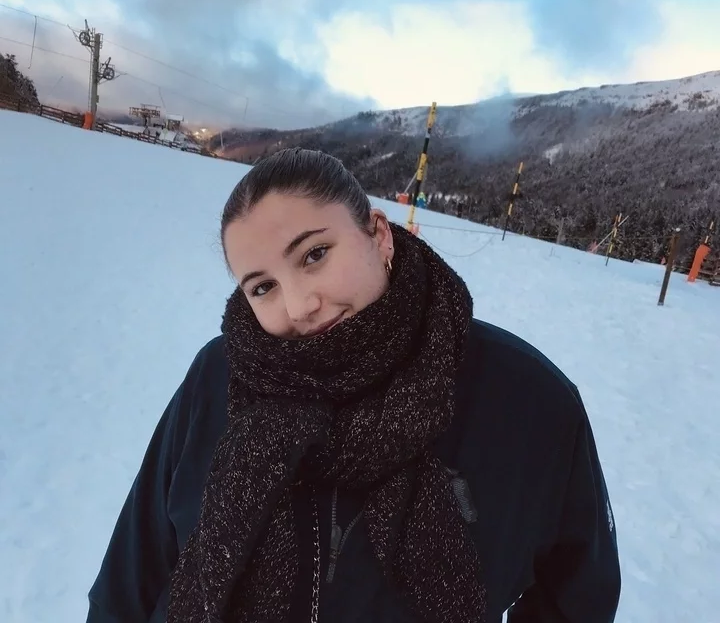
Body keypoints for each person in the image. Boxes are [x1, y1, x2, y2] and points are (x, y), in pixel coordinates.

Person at [86, 148, 621, 623]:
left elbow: (576, 596)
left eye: (314, 254)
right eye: (263, 287)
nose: (300, 307)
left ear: (378, 235)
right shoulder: (219, 376)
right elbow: (131, 577)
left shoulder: (526, 399)